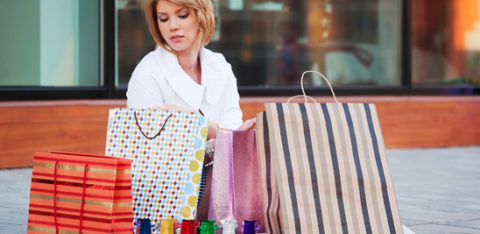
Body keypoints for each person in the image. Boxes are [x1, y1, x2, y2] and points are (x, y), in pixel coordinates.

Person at [125, 0, 255, 220]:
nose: (172, 26)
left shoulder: (220, 67)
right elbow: (152, 155)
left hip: (222, 188)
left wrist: (199, 128)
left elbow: (233, 138)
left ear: (201, 16)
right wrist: (213, 133)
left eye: (182, 15)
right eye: (163, 18)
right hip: (163, 200)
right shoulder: (148, 72)